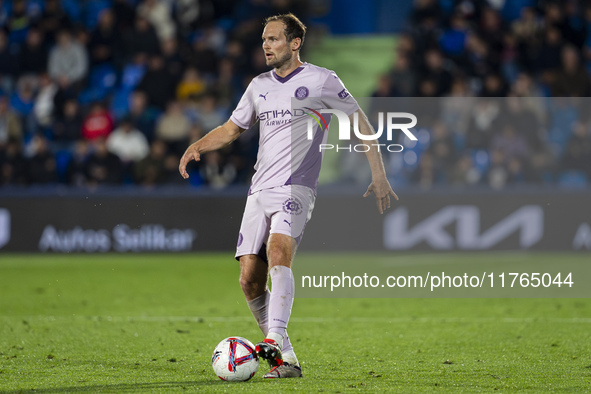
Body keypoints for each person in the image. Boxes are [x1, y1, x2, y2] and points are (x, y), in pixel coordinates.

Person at [178, 13, 397, 379]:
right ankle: (287, 361)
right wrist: (198, 145)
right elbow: (233, 129)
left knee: (279, 251)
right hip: (258, 189)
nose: (266, 45)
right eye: (264, 39)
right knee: (249, 278)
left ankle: (274, 338)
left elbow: (359, 119)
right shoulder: (258, 85)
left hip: (296, 187)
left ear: (295, 43)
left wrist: (378, 173)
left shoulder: (322, 80)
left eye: (274, 39)